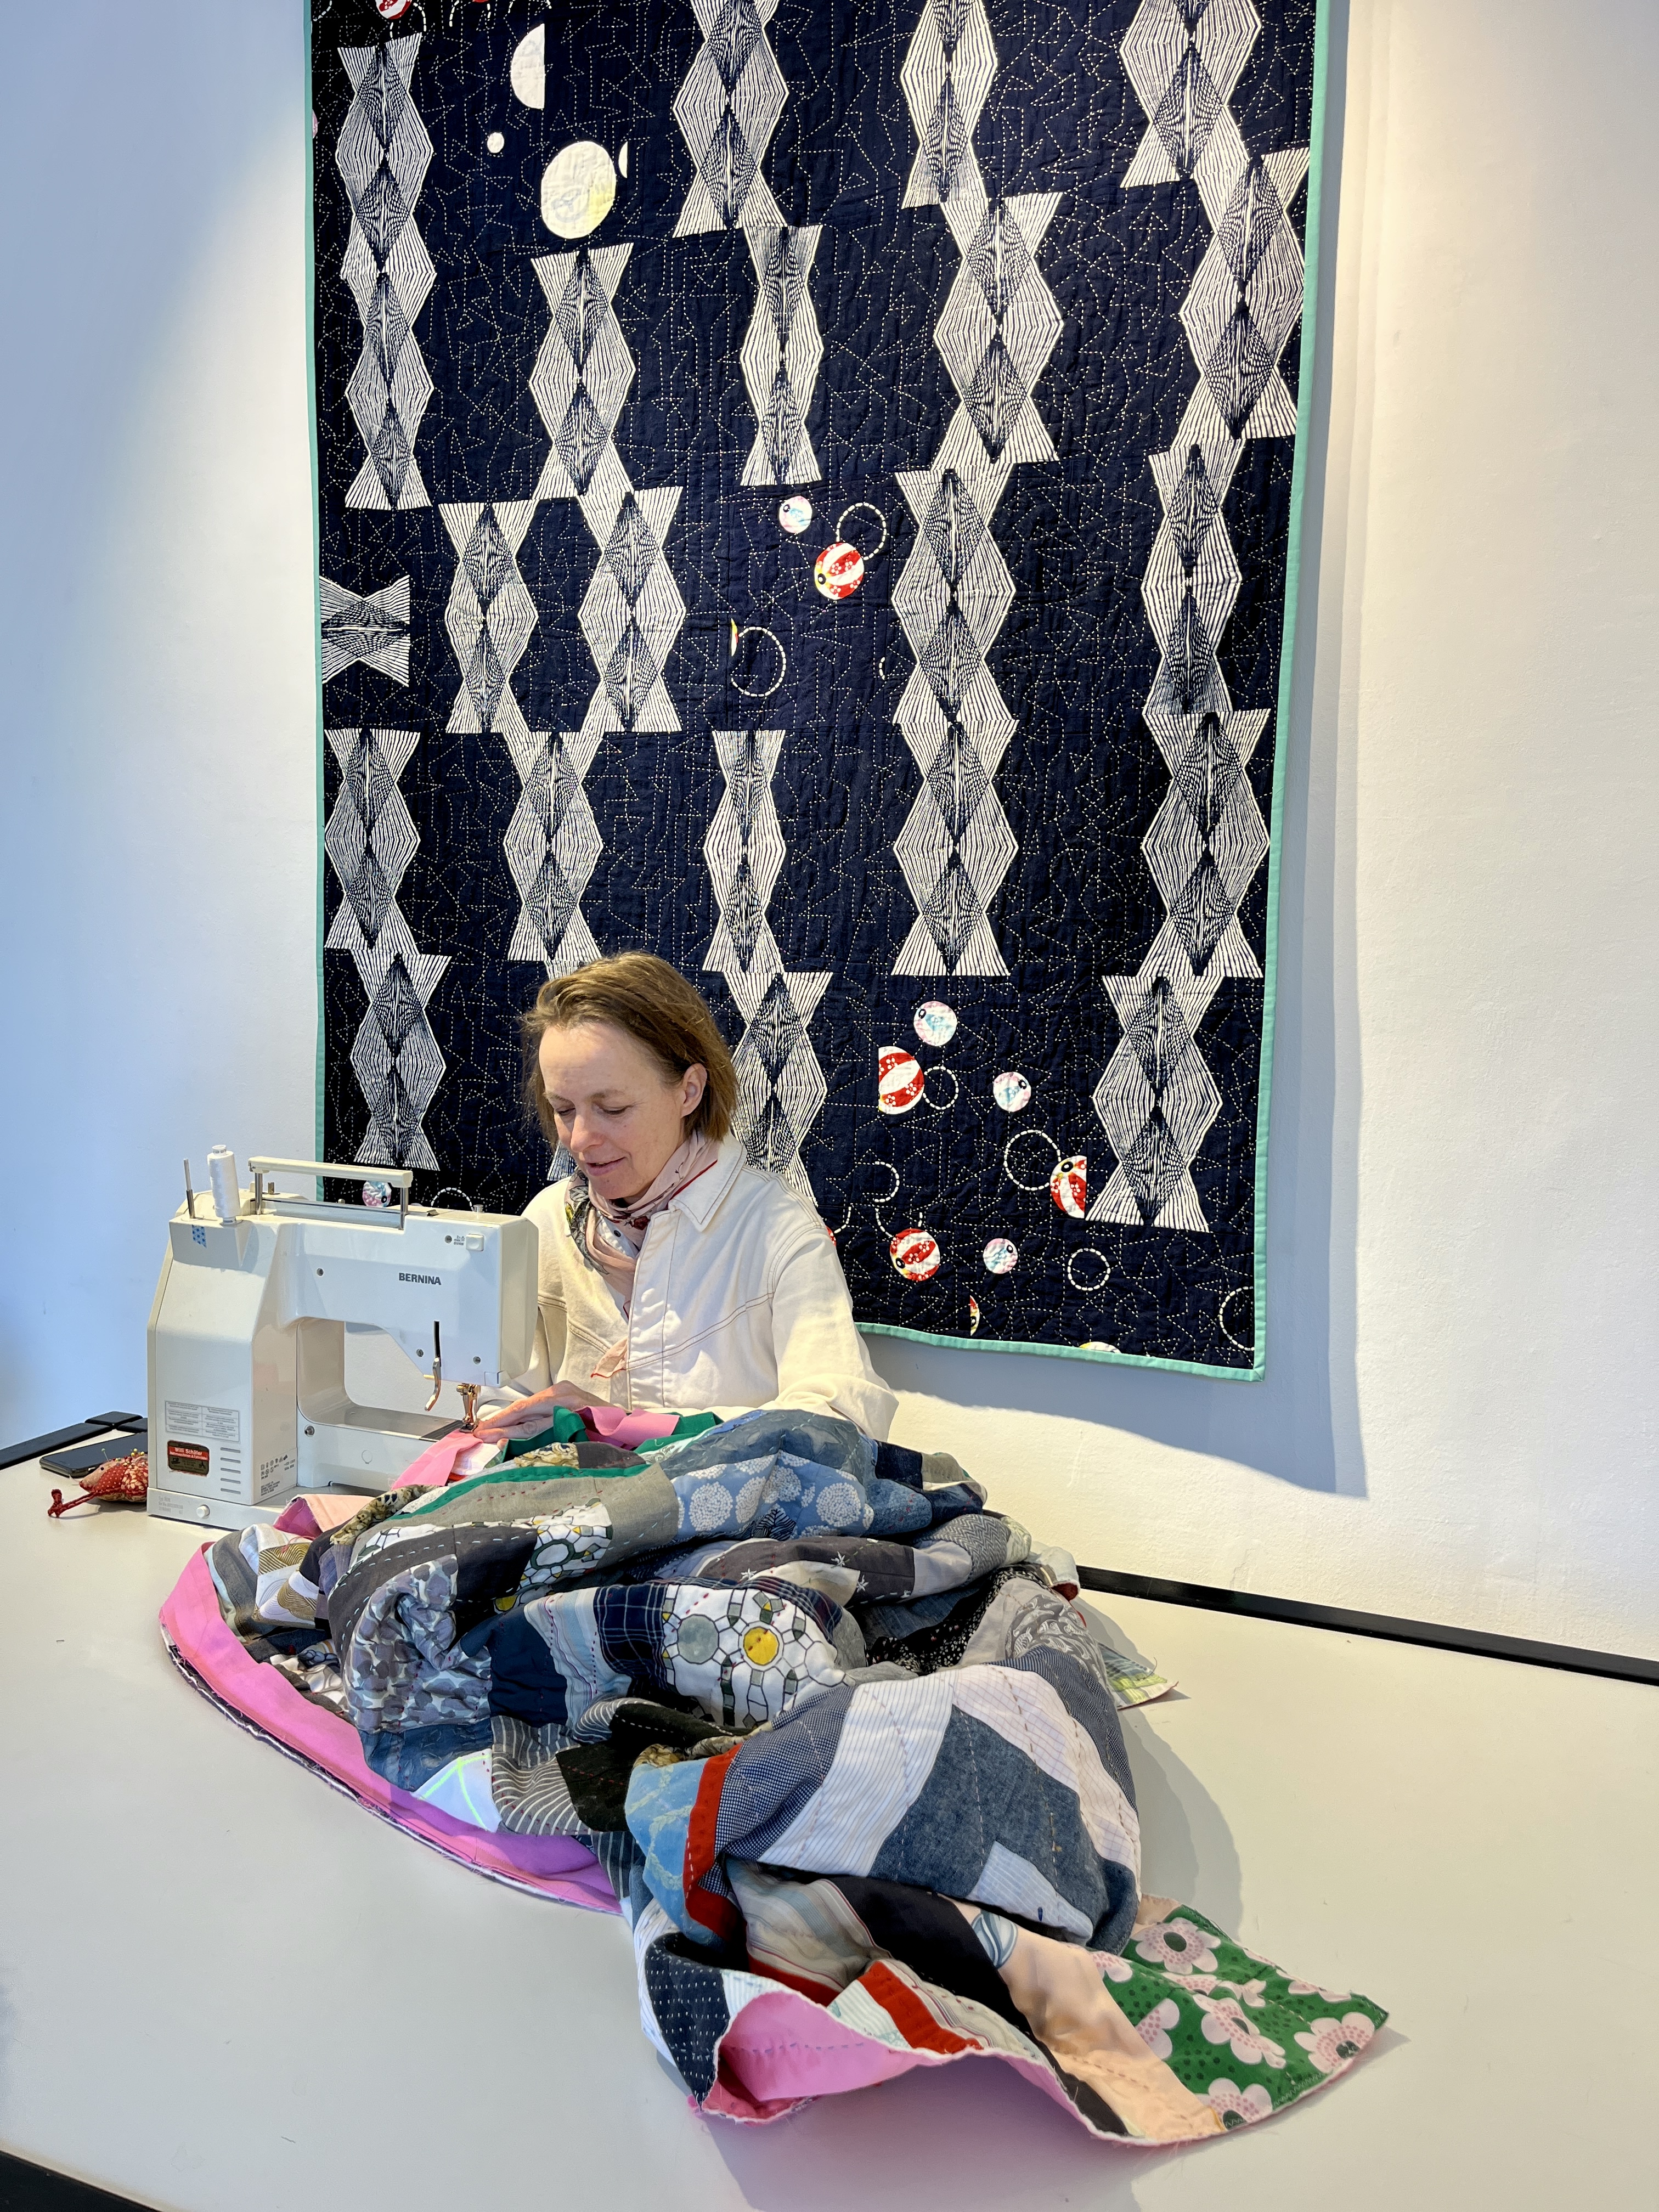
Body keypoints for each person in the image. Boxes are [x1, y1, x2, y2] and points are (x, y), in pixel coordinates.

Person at [478, 953, 896, 1442]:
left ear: (689, 1091)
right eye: (564, 1110)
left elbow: (841, 1423)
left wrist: (631, 1429)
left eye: (613, 1108)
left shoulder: (777, 1231)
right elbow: (501, 1399)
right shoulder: (548, 1222)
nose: (580, 1140)